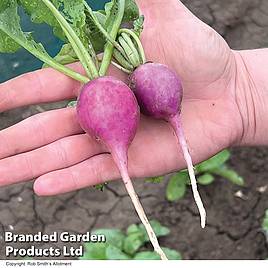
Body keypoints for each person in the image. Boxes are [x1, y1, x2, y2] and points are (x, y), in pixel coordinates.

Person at [0, 0, 267, 196]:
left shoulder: (143, 74)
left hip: (140, 74)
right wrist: (244, 91)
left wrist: (241, 88)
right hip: (103, 86)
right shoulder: (108, 87)